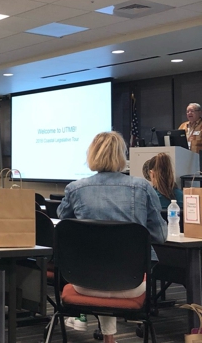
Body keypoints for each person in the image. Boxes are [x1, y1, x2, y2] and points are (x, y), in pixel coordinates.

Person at [57, 131, 167, 343]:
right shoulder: (142, 187)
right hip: (131, 285)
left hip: (82, 282)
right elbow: (160, 236)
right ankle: (109, 338)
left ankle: (109, 338)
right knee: (116, 263)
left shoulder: (75, 189)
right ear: (122, 156)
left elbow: (64, 224)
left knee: (101, 259)